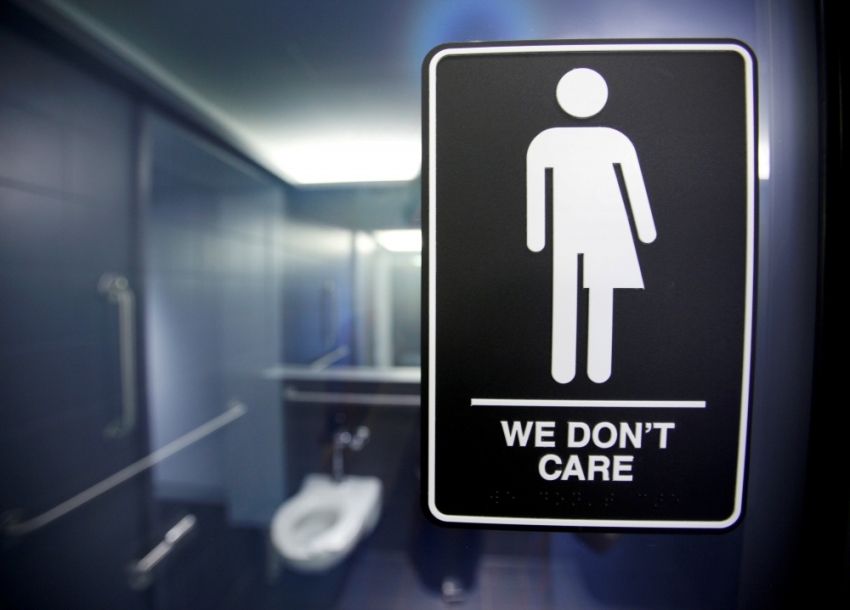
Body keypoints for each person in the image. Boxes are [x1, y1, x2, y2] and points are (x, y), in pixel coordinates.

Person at [526, 68, 657, 384]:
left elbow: (633, 186)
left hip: (605, 228)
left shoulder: (611, 140)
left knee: (597, 292)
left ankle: (596, 368)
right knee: (568, 290)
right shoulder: (548, 141)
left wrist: (645, 228)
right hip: (570, 228)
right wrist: (536, 235)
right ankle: (564, 367)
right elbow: (537, 189)